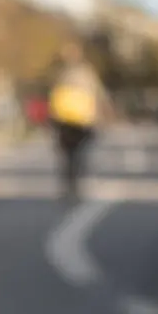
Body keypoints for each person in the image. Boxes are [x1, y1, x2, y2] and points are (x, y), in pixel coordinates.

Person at [48, 42, 113, 203]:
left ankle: (70, 183)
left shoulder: (59, 73)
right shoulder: (85, 73)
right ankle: (73, 183)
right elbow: (98, 93)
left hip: (69, 120)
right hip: (79, 120)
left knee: (69, 155)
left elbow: (54, 96)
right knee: (76, 154)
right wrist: (104, 112)